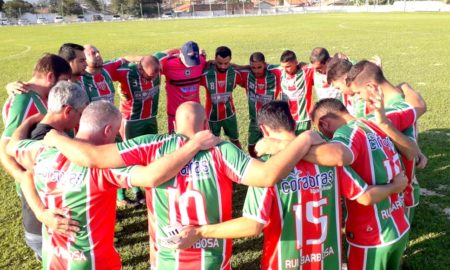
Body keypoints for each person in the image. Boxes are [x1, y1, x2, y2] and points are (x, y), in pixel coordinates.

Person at [43, 101, 324, 269]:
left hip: (167, 260)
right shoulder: (220, 150)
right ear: (205, 124)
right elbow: (267, 176)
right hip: (212, 261)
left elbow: (91, 157)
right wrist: (301, 140)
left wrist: (55, 138)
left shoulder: (151, 145)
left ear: (174, 123)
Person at [175, 101, 408, 270]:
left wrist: (201, 231)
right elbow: (364, 196)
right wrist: (395, 187)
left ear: (265, 130)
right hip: (328, 261)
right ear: (293, 122)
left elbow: (254, 225)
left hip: (283, 262)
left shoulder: (267, 169)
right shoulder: (329, 161)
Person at [9, 100, 221, 270]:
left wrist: (41, 212)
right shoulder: (104, 170)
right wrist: (192, 146)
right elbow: (151, 177)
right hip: (93, 263)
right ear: (108, 130)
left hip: (53, 259)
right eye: (117, 131)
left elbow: (14, 151)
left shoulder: (42, 151)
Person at [304, 98, 417, 270]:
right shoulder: (375, 124)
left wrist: (291, 148)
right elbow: (411, 149)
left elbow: (338, 155)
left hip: (372, 235)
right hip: (398, 223)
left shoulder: (347, 133)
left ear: (324, 124)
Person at [0, 54, 72, 260]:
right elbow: (5, 149)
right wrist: (24, 179)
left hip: (47, 182)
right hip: (36, 188)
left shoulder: (38, 96)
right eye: (63, 82)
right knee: (49, 248)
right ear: (50, 77)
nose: (64, 89)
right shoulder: (23, 100)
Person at [346, 60, 428, 223]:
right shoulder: (388, 101)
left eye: (358, 93)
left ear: (370, 86)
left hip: (401, 192)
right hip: (392, 189)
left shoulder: (397, 108)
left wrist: (383, 124)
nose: (359, 98)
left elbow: (410, 151)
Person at [154, 41, 207, 133]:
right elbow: (153, 59)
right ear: (180, 55)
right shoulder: (168, 64)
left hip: (195, 113)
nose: (190, 65)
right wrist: (176, 49)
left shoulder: (201, 61)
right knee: (176, 142)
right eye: (188, 60)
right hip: (175, 113)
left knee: (198, 141)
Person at [238, 52, 281, 157]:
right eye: (253, 67)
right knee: (252, 146)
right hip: (255, 120)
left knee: (273, 146)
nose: (256, 70)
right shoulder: (246, 75)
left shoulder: (275, 73)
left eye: (259, 67)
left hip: (271, 120)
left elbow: (288, 65)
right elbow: (230, 67)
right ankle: (256, 164)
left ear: (265, 64)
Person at [201, 46, 242, 148]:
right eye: (220, 63)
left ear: (230, 60)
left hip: (229, 114)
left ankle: (241, 161)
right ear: (215, 59)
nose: (223, 66)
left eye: (226, 63)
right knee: (212, 145)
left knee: (235, 140)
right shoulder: (206, 74)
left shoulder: (235, 73)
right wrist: (204, 62)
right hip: (211, 116)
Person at [278, 50, 315, 134]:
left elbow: (322, 60)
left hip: (303, 118)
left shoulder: (306, 71)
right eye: (283, 66)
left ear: (296, 62)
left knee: (302, 144)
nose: (285, 69)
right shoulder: (280, 71)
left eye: (288, 66)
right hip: (286, 117)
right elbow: (263, 65)